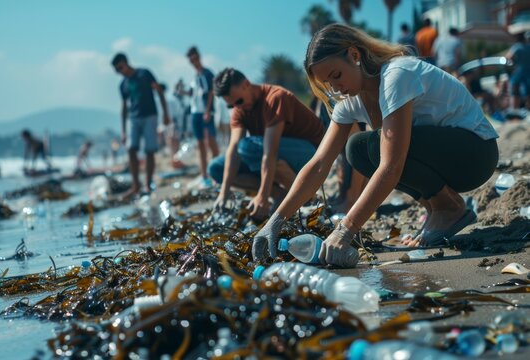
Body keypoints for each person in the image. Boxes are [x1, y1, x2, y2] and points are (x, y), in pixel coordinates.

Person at [254, 24, 498, 267]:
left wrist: (345, 231)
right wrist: (275, 221)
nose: (335, 88)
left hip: (476, 154)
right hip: (445, 154)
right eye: (328, 83)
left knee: (375, 147)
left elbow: (391, 166)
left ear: (354, 55)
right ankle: (440, 208)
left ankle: (449, 208)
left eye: (337, 75)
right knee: (357, 149)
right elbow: (319, 164)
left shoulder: (396, 75)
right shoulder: (350, 99)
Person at [210, 68, 325, 221]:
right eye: (231, 106)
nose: (237, 107)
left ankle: (306, 194)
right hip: (275, 152)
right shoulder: (240, 109)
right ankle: (279, 194)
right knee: (216, 168)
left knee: (248, 147)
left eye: (238, 101)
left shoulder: (275, 98)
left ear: (246, 84)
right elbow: (233, 150)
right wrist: (223, 193)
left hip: (311, 152)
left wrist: (262, 197)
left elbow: (269, 152)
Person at [111, 53, 170, 196]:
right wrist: (123, 130)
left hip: (150, 115)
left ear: (126, 62)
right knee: (131, 149)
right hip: (133, 118)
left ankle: (148, 184)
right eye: (117, 70)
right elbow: (124, 107)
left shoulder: (145, 73)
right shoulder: (123, 84)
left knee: (150, 150)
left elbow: (159, 92)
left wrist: (165, 113)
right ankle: (136, 185)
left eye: (120, 68)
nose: (120, 72)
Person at [178, 47, 219, 186]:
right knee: (200, 144)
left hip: (205, 112)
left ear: (199, 57)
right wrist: (181, 91)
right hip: (195, 112)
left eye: (195, 58)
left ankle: (218, 171)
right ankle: (204, 174)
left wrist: (208, 110)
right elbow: (193, 94)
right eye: (191, 60)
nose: (193, 62)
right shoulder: (195, 77)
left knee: (211, 142)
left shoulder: (207, 74)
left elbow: (211, 93)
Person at [159, 83, 184, 168]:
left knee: (173, 142)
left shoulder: (168, 99)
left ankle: (176, 160)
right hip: (171, 123)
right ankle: (175, 160)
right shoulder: (169, 99)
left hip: (172, 122)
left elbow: (175, 113)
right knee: (171, 142)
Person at [506, 33, 530, 110]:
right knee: (528, 92)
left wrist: (513, 63)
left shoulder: (517, 47)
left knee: (514, 91)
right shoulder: (528, 47)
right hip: (528, 73)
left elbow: (508, 57)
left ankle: (514, 110)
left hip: (519, 71)